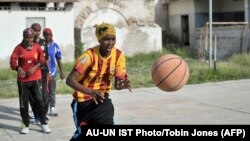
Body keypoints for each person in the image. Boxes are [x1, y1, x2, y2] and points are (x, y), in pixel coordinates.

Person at [66, 23, 131, 140]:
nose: (110, 42)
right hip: (83, 103)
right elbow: (70, 80)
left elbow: (117, 84)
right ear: (99, 39)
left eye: (113, 39)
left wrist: (122, 84)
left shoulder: (118, 55)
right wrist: (91, 92)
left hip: (102, 100)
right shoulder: (88, 56)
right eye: (106, 39)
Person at [9, 28, 51, 134]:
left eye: (31, 37)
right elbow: (12, 61)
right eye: (27, 37)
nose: (30, 39)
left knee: (39, 101)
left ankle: (44, 123)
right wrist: (18, 68)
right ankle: (25, 125)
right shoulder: (18, 48)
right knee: (24, 103)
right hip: (22, 81)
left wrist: (35, 67)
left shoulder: (37, 47)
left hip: (35, 78)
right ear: (24, 37)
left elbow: (42, 60)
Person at [29, 23, 50, 125]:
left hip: (44, 71)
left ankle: (43, 115)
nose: (37, 32)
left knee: (45, 96)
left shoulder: (43, 42)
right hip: (33, 72)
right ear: (31, 30)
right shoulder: (27, 42)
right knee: (34, 97)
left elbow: (46, 58)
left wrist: (49, 70)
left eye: (39, 30)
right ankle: (37, 116)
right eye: (35, 30)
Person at [43, 28, 65, 116]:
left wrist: (62, 72)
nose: (48, 36)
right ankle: (40, 110)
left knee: (51, 91)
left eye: (49, 34)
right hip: (42, 72)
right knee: (42, 92)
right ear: (43, 35)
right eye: (46, 34)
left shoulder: (55, 46)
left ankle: (52, 108)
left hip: (52, 72)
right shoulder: (41, 45)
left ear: (52, 35)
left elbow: (58, 60)